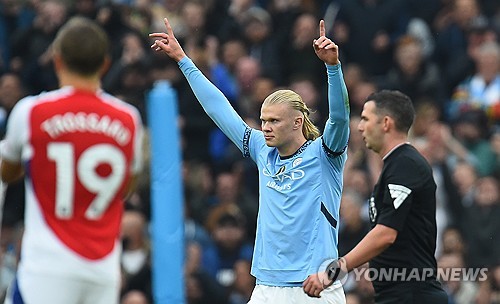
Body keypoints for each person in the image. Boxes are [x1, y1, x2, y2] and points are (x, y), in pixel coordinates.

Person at [150, 17, 350, 303]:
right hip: (266, 285)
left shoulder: (325, 154)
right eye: (263, 120)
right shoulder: (261, 149)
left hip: (314, 284)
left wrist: (333, 67)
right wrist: (183, 59)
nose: (265, 127)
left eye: (274, 121)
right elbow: (219, 108)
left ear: (297, 122)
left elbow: (340, 118)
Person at [0, 17, 144, 304]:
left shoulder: (31, 112)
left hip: (46, 267)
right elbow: (127, 186)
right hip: (102, 270)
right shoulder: (129, 119)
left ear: (57, 61)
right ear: (105, 64)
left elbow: (7, 169)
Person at [306, 90, 448, 303]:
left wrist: (334, 271)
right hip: (396, 295)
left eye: (365, 119)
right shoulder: (394, 166)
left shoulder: (406, 164)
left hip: (412, 295)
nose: (360, 127)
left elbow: (386, 234)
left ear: (386, 123)